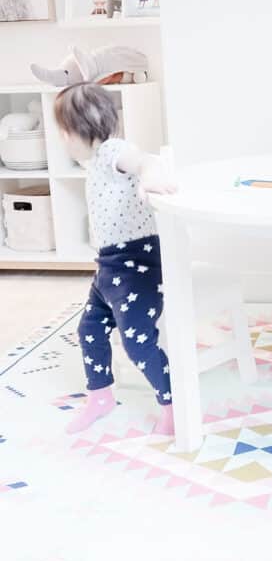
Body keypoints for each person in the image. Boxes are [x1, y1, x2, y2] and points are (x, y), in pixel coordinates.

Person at [54, 82, 177, 435]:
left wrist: (150, 176)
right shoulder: (96, 160)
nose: (63, 141)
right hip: (109, 265)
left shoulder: (111, 152)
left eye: (63, 133)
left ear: (78, 130)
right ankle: (100, 396)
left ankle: (171, 403)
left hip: (134, 266)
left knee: (138, 342)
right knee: (89, 329)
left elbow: (143, 160)